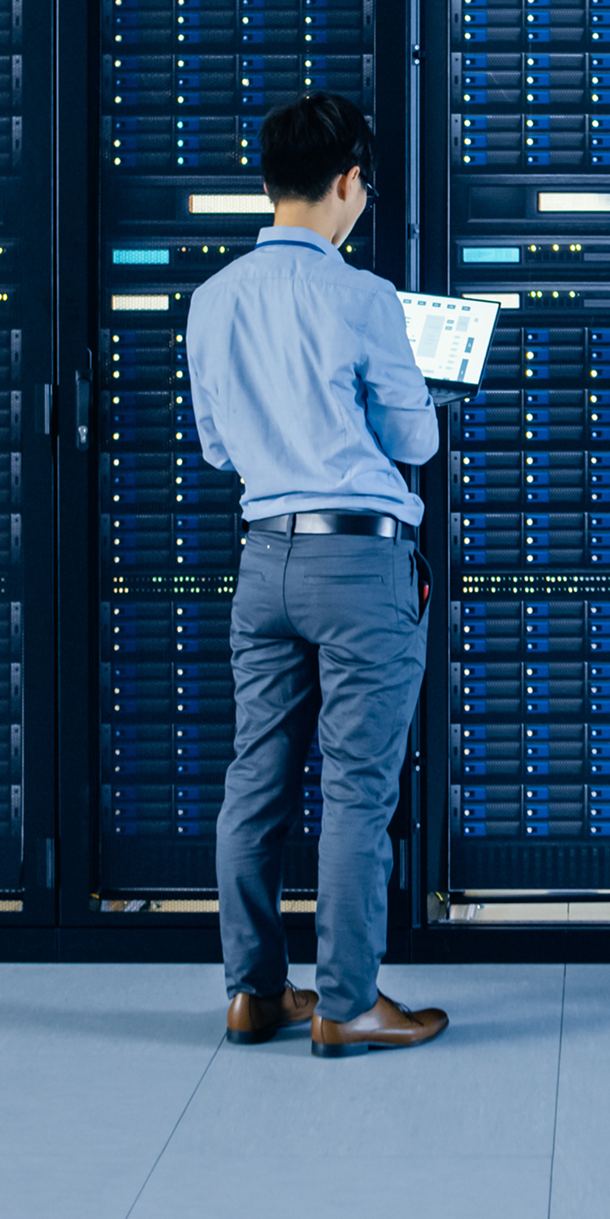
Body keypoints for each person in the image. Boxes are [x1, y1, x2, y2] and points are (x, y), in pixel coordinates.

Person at [185, 91, 448, 1058]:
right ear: (347, 183)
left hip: (264, 563)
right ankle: (346, 1004)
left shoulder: (212, 300)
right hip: (357, 562)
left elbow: (218, 450)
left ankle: (253, 994)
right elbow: (413, 439)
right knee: (357, 793)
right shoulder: (362, 297)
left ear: (268, 184)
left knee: (255, 782)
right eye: (363, 187)